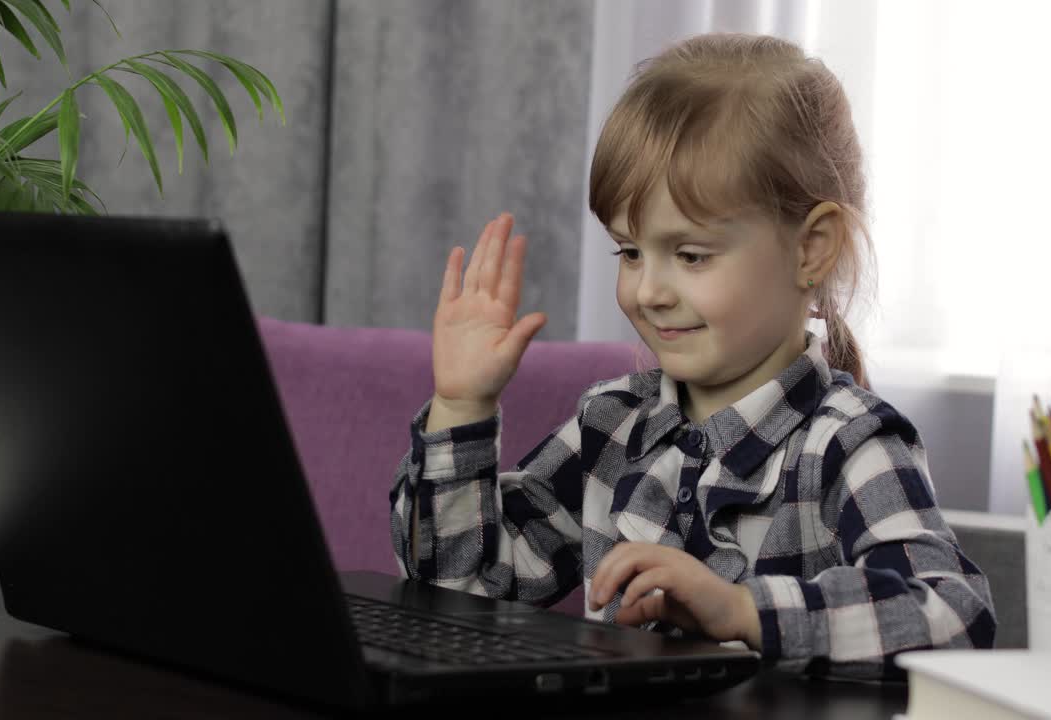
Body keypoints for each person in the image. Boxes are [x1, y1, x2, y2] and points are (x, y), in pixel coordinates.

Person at [388, 32, 995, 680]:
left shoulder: (848, 442)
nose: (648, 290)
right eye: (629, 251)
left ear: (811, 249)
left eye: (691, 255)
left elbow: (953, 618)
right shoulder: (610, 426)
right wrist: (462, 406)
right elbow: (463, 590)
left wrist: (742, 611)